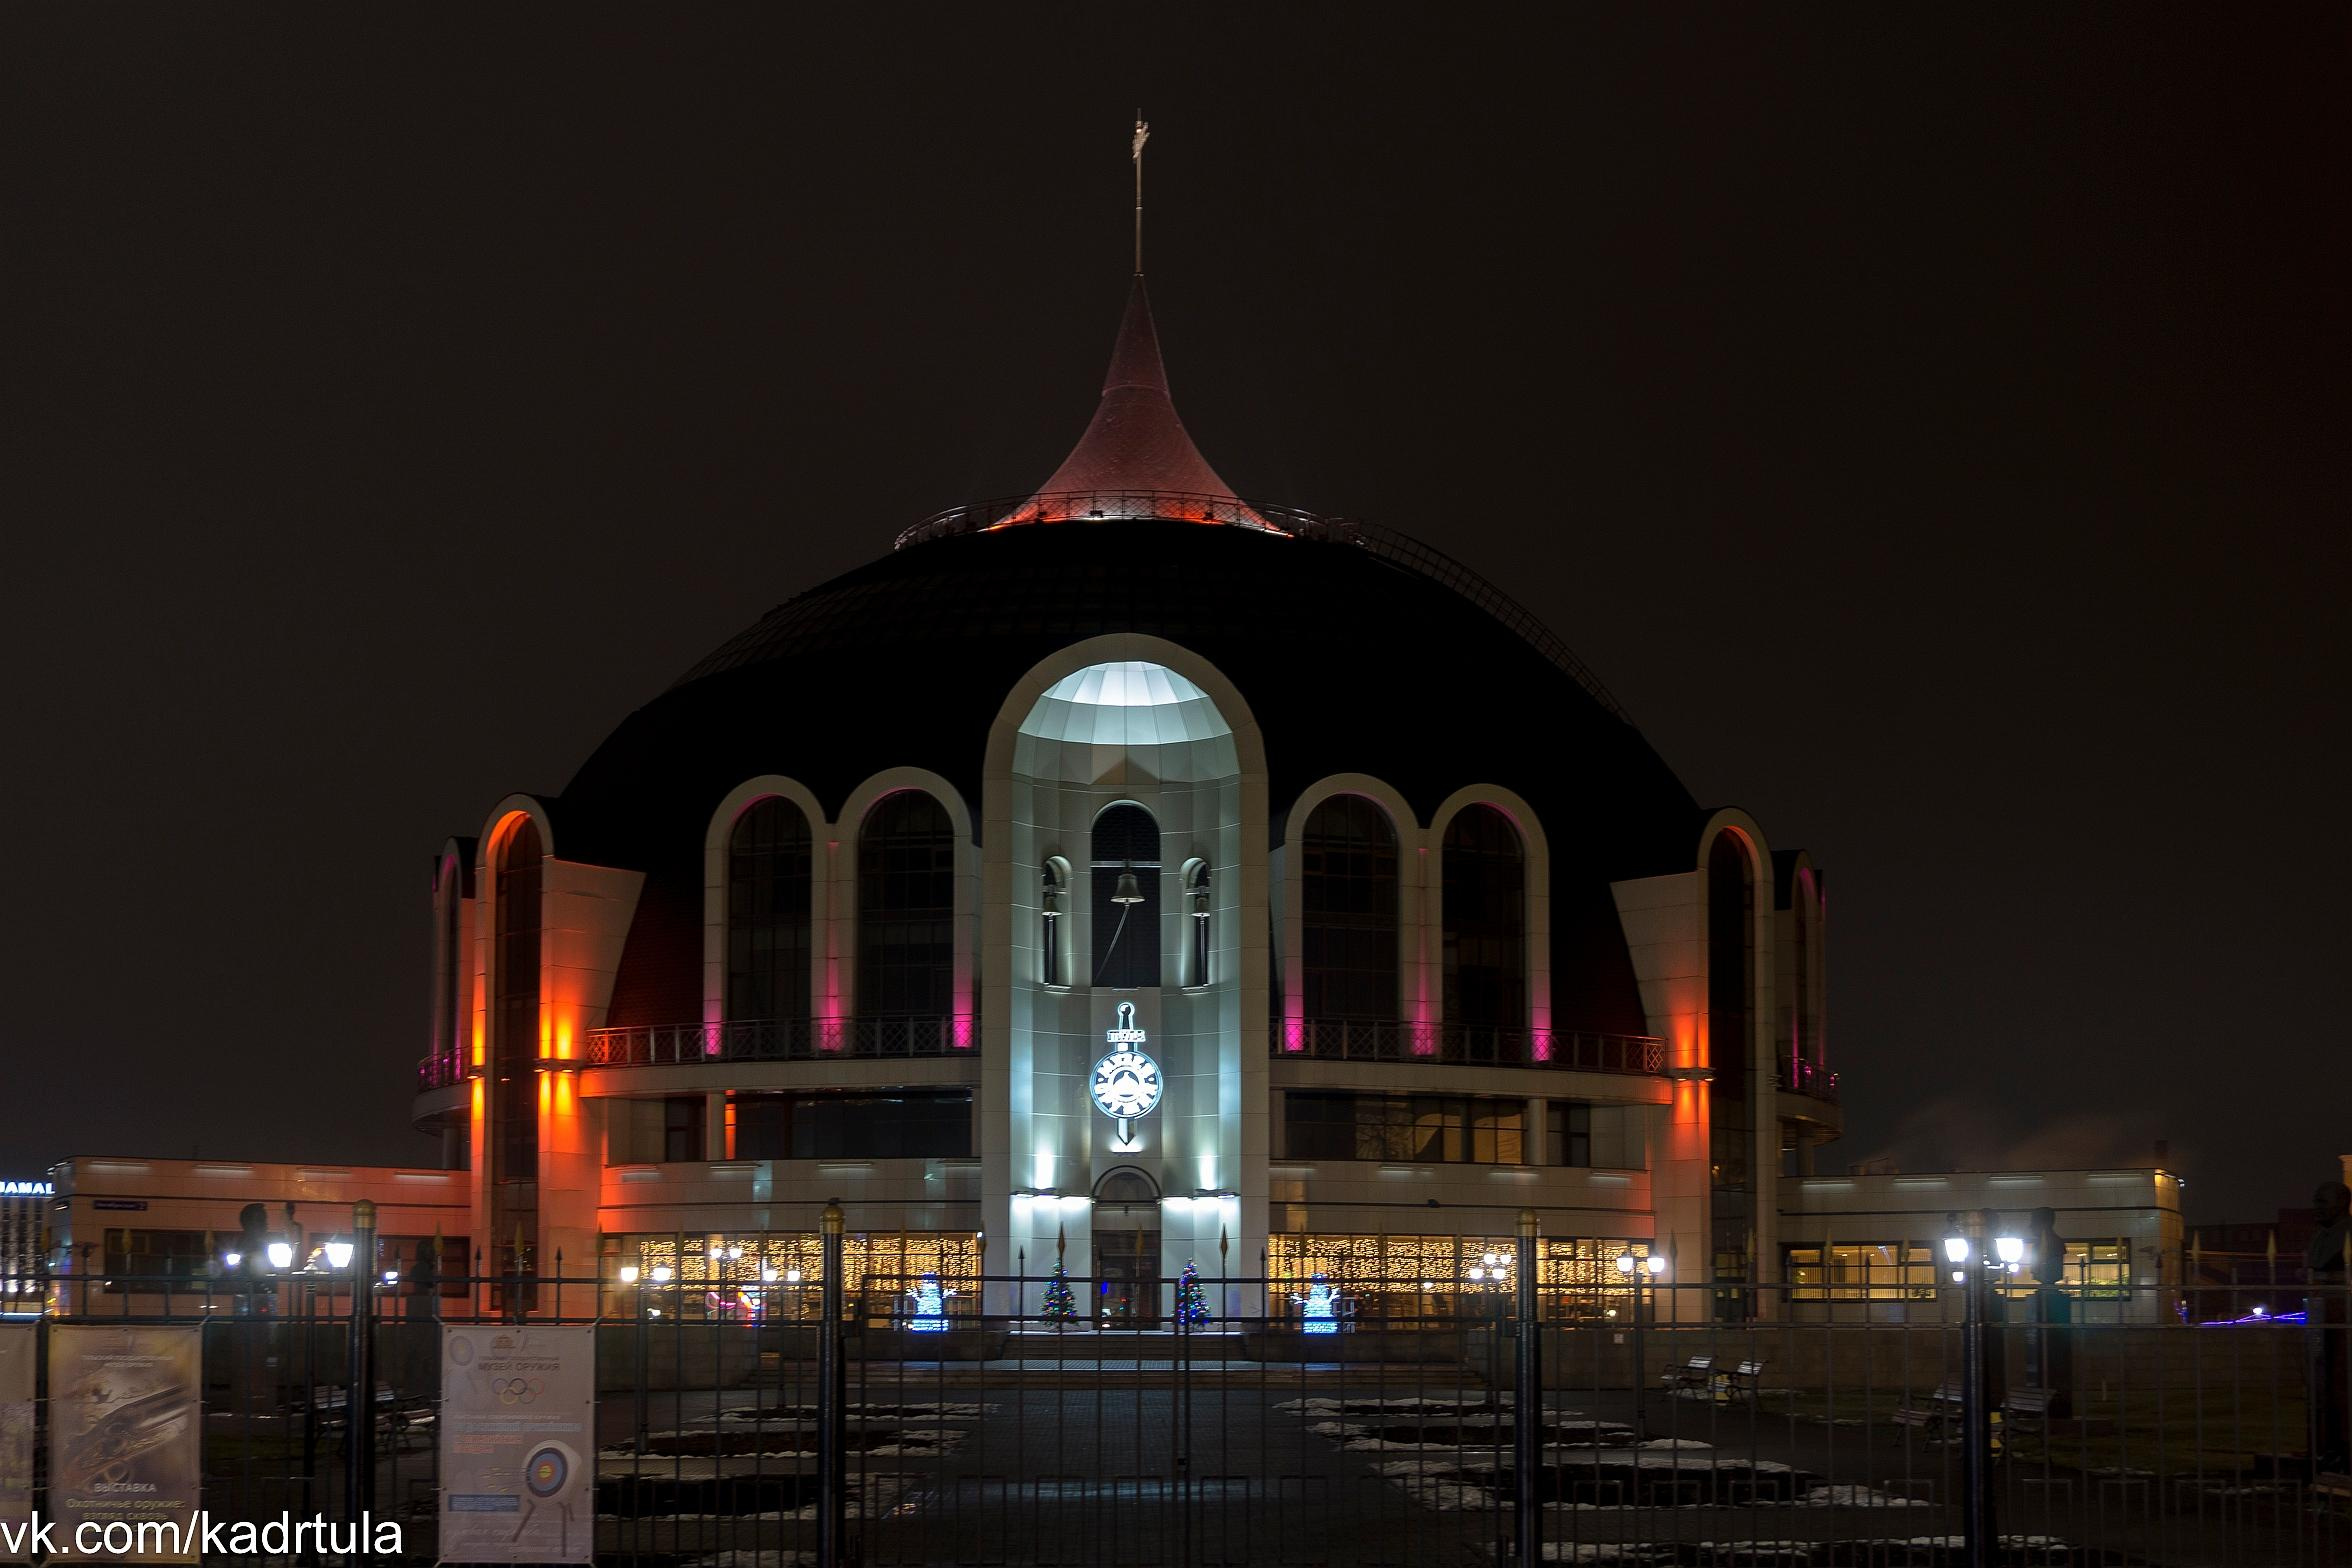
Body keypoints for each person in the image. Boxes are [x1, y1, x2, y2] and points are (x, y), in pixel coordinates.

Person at [2307, 1181, 2351, 1471]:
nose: (2317, 1207)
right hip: (2322, 1312)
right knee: (2322, 1382)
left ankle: (2344, 1446)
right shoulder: (2319, 1237)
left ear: (2342, 1203)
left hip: (2343, 1312)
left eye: (2323, 1201)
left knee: (2342, 1379)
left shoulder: (2347, 1235)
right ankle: (2329, 1446)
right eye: (2316, 1201)